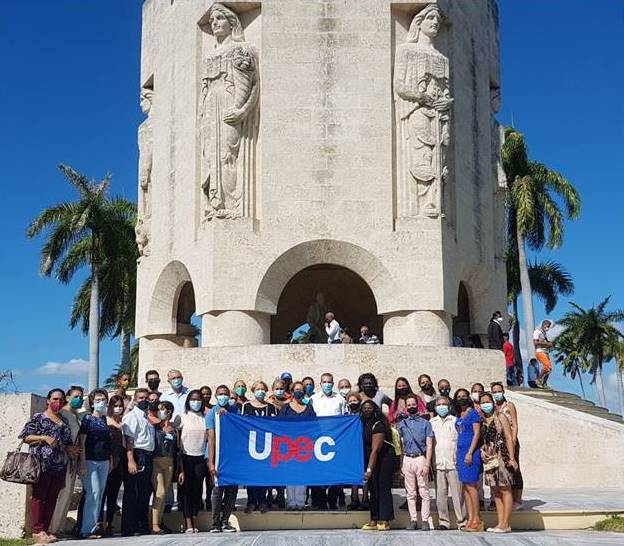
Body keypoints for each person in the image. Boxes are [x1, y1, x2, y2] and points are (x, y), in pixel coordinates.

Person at [19, 388, 73, 544]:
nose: (58, 402)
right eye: (55, 399)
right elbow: (26, 437)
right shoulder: (39, 418)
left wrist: (71, 449)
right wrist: (43, 437)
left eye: (61, 400)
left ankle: (46, 529)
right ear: (48, 400)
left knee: (52, 497)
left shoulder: (64, 421)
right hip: (41, 463)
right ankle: (38, 530)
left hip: (59, 465)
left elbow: (67, 442)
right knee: (39, 497)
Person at [479, 393, 518, 533]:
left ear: (492, 402)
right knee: (495, 490)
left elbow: (508, 437)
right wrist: (482, 450)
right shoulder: (483, 419)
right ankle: (500, 523)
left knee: (505, 488)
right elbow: (482, 439)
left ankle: (506, 523)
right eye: (482, 402)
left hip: (502, 456)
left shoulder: (500, 416)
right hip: (489, 459)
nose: (485, 404)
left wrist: (512, 458)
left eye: (488, 401)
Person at [49, 386, 84, 536]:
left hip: (73, 459)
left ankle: (59, 527)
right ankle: (52, 528)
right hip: (63, 459)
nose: (79, 399)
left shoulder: (75, 415)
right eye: (76, 396)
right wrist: (68, 448)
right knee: (61, 494)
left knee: (67, 495)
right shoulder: (62, 414)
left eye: (81, 396)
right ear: (68, 397)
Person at [78, 389, 112, 539]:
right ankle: (86, 529)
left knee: (99, 495)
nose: (101, 402)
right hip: (90, 461)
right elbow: (82, 442)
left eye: (103, 399)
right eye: (97, 400)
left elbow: (107, 442)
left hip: (104, 461)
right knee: (93, 493)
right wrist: (83, 462)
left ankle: (93, 527)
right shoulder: (87, 419)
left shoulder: (104, 420)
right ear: (91, 402)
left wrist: (110, 460)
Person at [121, 388, 155, 537]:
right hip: (137, 454)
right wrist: (131, 460)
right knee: (133, 492)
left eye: (146, 397)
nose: (144, 400)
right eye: (140, 398)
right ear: (135, 400)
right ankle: (130, 527)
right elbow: (129, 439)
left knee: (144, 492)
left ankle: (141, 525)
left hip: (148, 456)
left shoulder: (146, 417)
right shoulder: (132, 416)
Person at [397, 394, 434, 531]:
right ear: (405, 407)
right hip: (407, 458)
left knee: (424, 491)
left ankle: (424, 519)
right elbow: (399, 445)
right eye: (409, 405)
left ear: (417, 405)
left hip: (420, 458)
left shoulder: (426, 423)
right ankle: (413, 519)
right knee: (410, 492)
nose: (411, 407)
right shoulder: (401, 424)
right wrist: (401, 464)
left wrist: (427, 463)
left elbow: (429, 445)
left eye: (413, 404)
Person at [278, 381, 316, 510]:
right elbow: (280, 426)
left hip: (304, 447)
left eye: (301, 390)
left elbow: (314, 426)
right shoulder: (286, 408)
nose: (298, 392)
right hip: (288, 446)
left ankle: (300, 502)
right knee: (290, 474)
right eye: (296, 389)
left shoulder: (309, 408)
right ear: (292, 392)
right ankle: (290, 502)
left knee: (302, 474)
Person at [430, 396, 466, 530]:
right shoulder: (431, 422)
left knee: (458, 495)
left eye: (444, 404)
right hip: (438, 464)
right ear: (435, 407)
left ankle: (461, 521)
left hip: (453, 463)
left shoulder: (456, 421)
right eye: (439, 404)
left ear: (449, 406)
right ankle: (443, 521)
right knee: (440, 496)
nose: (441, 407)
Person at [207, 385, 239, 533]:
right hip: (218, 457)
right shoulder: (211, 413)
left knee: (232, 491)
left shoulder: (235, 410)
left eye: (226, 394)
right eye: (220, 394)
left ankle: (225, 521)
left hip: (232, 458)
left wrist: (229, 418)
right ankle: (215, 523)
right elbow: (211, 439)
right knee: (218, 491)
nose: (223, 396)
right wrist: (211, 462)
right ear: (216, 396)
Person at [175, 390, 208, 533]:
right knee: (186, 491)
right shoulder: (181, 418)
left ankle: (195, 517)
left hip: (200, 457)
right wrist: (180, 467)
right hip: (186, 458)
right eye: (193, 399)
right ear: (188, 401)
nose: (196, 402)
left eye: (199, 399)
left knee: (197, 490)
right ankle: (188, 522)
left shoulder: (206, 418)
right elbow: (176, 443)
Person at [242, 381, 277, 513]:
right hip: (251, 445)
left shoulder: (271, 407)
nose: (260, 391)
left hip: (267, 445)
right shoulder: (246, 406)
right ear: (253, 390)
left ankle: (263, 501)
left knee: (263, 475)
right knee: (252, 475)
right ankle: (251, 502)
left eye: (263, 389)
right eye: (258, 389)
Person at [310, 373, 345, 510]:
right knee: (319, 472)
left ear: (333, 383)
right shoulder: (313, 399)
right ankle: (320, 502)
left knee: (334, 473)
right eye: (324, 382)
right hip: (318, 441)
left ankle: (332, 500)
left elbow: (344, 418)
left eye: (329, 382)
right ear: (320, 384)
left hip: (335, 440)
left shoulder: (340, 399)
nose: (327, 384)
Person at [360, 400, 395, 531]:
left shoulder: (378, 425)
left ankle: (384, 519)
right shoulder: (363, 424)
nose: (366, 410)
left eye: (369, 408)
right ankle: (374, 519)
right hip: (370, 459)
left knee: (382, 488)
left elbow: (375, 449)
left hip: (383, 460)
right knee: (372, 489)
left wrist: (369, 469)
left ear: (375, 410)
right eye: (364, 408)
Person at [454, 388, 483, 532]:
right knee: (465, 487)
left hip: (470, 453)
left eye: (464, 396)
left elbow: (477, 433)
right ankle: (470, 519)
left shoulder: (473, 413)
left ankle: (477, 520)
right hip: (460, 453)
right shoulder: (459, 414)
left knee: (472, 486)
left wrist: (470, 452)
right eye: (459, 397)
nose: (461, 398)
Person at [491, 383, 523, 509]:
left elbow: (514, 424)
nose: (497, 393)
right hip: (497, 443)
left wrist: (513, 440)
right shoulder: (492, 407)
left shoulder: (509, 405)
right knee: (500, 471)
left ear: (503, 391)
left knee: (514, 468)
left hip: (510, 441)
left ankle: (518, 499)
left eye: (499, 391)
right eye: (494, 391)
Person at [100, 395, 126, 537]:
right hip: (108, 461)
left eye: (120, 405)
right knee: (102, 494)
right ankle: (99, 523)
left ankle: (109, 523)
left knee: (113, 495)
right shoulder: (105, 421)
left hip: (120, 463)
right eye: (115, 405)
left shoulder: (123, 422)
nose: (118, 408)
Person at [151, 401, 176, 534]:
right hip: (157, 461)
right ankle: (154, 524)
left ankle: (159, 522)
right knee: (159, 492)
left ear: (169, 411)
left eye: (163, 409)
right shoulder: (154, 427)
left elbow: (178, 450)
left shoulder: (174, 429)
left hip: (170, 462)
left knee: (164, 494)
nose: (160, 411)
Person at [344, 392, 366, 510]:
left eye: (355, 401)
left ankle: (365, 500)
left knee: (364, 474)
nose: (353, 403)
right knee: (353, 473)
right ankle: (354, 499)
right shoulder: (345, 416)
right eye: (350, 401)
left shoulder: (364, 415)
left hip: (362, 446)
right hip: (350, 448)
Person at [533, 319, 554, 388]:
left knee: (549, 369)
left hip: (546, 352)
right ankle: (538, 379)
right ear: (544, 325)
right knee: (547, 366)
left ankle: (544, 383)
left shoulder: (544, 334)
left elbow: (546, 343)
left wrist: (550, 344)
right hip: (540, 351)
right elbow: (535, 342)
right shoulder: (537, 332)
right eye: (547, 326)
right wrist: (546, 343)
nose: (548, 328)